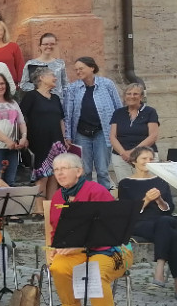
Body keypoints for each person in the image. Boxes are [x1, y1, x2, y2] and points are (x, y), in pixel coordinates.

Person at [47, 152, 132, 306]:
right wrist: (53, 249)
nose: (59, 173)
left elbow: (111, 229)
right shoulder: (59, 196)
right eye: (56, 169)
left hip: (111, 248)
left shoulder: (97, 191)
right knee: (58, 267)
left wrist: (77, 247)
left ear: (79, 171)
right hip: (79, 250)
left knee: (93, 271)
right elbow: (55, 229)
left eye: (64, 168)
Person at [117, 147, 177, 299]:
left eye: (151, 159)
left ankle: (160, 267)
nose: (148, 162)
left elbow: (170, 209)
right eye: (144, 159)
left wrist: (159, 200)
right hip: (140, 223)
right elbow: (125, 212)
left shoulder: (161, 180)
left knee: (165, 222)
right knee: (172, 233)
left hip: (162, 220)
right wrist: (147, 200)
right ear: (134, 161)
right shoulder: (125, 183)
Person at [63, 56, 122, 191]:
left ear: (92, 68)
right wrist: (68, 135)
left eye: (81, 68)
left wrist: (118, 130)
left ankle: (104, 198)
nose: (78, 72)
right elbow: (68, 114)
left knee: (102, 170)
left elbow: (118, 108)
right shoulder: (72, 88)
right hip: (81, 134)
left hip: (103, 132)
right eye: (76, 69)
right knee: (85, 170)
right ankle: (86, 198)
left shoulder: (107, 84)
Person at [20, 67, 67, 209]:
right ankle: (39, 210)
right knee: (42, 175)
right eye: (52, 75)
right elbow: (22, 117)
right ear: (41, 78)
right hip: (39, 140)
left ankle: (51, 208)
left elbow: (61, 120)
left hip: (56, 142)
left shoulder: (56, 98)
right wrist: (24, 136)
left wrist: (64, 139)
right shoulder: (31, 96)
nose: (55, 77)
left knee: (54, 174)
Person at [109, 83, 159, 183]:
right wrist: (123, 153)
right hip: (121, 157)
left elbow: (153, 136)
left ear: (141, 97)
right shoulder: (118, 113)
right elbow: (112, 136)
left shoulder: (150, 112)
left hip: (145, 156)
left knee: (148, 186)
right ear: (124, 96)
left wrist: (133, 152)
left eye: (135, 94)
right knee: (126, 188)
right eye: (129, 94)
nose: (132, 96)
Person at [0, 21, 24, 86]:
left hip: (12, 85)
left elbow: (20, 65)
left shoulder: (13, 46)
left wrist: (20, 82)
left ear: (4, 32)